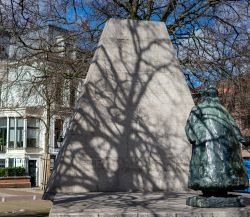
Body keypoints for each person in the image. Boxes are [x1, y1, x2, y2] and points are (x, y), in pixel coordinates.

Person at [185, 85, 249, 196]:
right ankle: (210, 188)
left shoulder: (219, 110)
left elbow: (233, 126)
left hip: (219, 145)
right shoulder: (202, 109)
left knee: (217, 169)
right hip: (207, 144)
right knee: (209, 168)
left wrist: (241, 139)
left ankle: (219, 188)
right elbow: (190, 125)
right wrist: (192, 136)